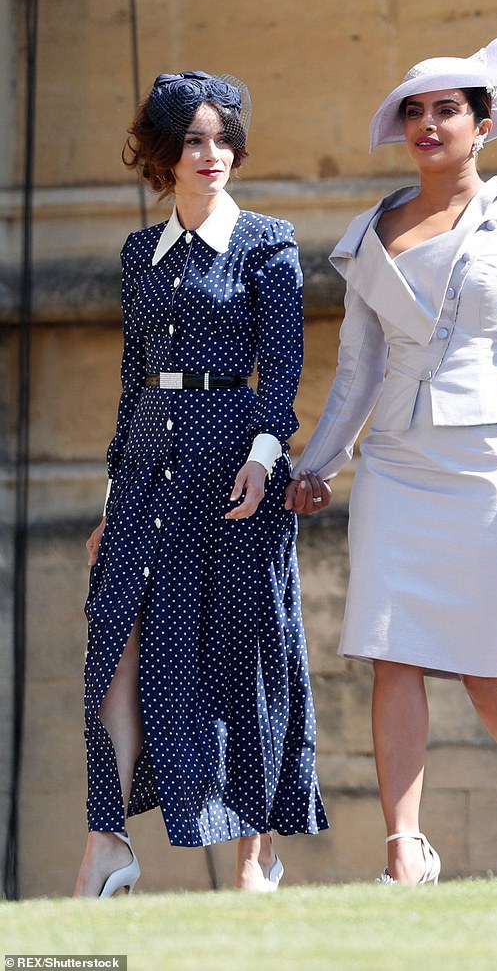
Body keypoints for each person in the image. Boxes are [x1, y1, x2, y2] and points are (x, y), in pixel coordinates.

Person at [285, 19, 497, 884]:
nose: (427, 125)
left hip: (487, 466)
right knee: (390, 651)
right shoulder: (367, 232)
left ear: (484, 122)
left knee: (483, 670)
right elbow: (354, 372)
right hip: (394, 461)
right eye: (415, 112)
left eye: (446, 110)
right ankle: (405, 852)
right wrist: (312, 466)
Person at [73, 70, 328, 898]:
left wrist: (263, 456)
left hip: (235, 470)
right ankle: (107, 840)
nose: (212, 153)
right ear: (163, 153)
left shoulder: (269, 242)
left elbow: (282, 372)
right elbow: (130, 384)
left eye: (223, 138)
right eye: (193, 139)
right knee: (113, 643)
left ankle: (255, 860)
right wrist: (112, 507)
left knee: (243, 653)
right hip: (148, 470)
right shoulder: (136, 254)